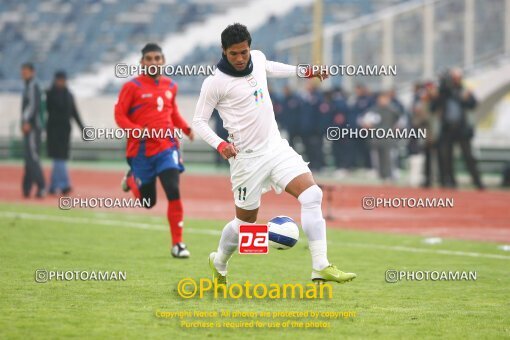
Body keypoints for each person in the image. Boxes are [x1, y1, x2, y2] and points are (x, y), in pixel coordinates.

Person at [193, 23, 356, 285]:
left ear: (249, 47)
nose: (240, 58)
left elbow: (270, 66)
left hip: (275, 147)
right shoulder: (215, 83)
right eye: (233, 53)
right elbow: (199, 121)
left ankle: (321, 266)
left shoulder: (256, 58)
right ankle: (219, 260)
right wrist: (220, 144)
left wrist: (305, 71)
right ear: (223, 52)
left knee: (312, 194)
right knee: (245, 222)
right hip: (246, 159)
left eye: (243, 52)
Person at [115, 43, 195, 258]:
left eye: (157, 58)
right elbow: (120, 116)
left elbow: (172, 112)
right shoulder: (131, 87)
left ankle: (178, 244)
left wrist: (185, 128)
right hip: (140, 151)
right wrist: (136, 130)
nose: (153, 62)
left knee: (173, 189)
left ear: (163, 61)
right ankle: (133, 179)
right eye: (148, 59)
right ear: (142, 62)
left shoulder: (171, 86)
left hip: (167, 146)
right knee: (148, 202)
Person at [433, 68, 483, 189]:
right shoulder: (443, 92)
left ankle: (477, 182)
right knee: (446, 157)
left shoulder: (463, 90)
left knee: (468, 156)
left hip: (461, 129)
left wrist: (465, 97)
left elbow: (473, 104)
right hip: (447, 128)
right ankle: (449, 181)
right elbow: (433, 107)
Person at [45, 71, 85, 194]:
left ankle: (53, 186)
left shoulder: (69, 95)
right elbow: (43, 111)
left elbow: (74, 112)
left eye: (63, 80)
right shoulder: (49, 94)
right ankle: (64, 184)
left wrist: (82, 128)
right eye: (59, 80)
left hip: (65, 131)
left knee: (60, 158)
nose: (61, 82)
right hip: (53, 131)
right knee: (59, 158)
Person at [20, 63, 45, 198]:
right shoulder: (28, 85)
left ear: (32, 72)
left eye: (25, 71)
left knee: (33, 157)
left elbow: (32, 105)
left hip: (33, 127)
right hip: (32, 126)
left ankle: (41, 186)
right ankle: (26, 188)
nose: (23, 73)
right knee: (29, 157)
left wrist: (26, 121)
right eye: (22, 70)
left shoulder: (33, 85)